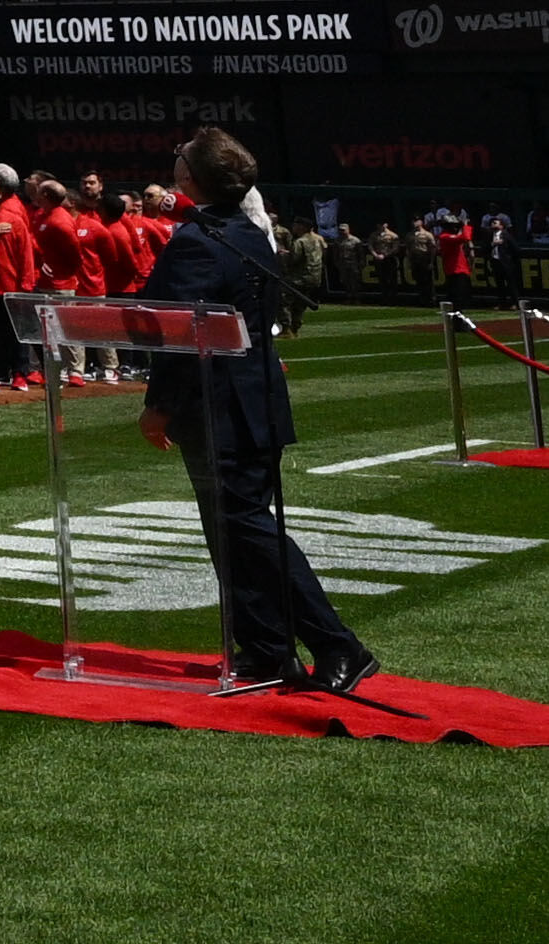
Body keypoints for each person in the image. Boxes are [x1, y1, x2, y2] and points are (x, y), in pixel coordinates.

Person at [143, 134, 380, 699]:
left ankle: (336, 642)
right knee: (235, 531)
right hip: (250, 401)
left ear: (190, 179)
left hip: (219, 407)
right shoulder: (248, 233)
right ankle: (267, 650)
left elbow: (178, 334)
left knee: (247, 532)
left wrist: (158, 407)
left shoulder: (198, 242)